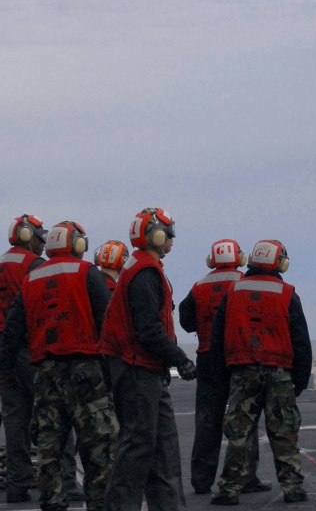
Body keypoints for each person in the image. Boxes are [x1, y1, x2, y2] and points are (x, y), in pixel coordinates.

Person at [0, 221, 117, 511]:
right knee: (98, 440)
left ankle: (51, 499)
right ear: (77, 244)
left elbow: (13, 329)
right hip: (85, 368)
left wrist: (3, 368)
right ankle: (98, 501)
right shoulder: (87, 272)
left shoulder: (32, 277)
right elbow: (108, 320)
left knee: (48, 439)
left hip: (45, 369)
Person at [99, 207, 196, 511]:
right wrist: (180, 358)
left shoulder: (142, 268)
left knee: (164, 448)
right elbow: (148, 330)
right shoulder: (144, 272)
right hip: (137, 367)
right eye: (168, 233)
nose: (172, 239)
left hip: (147, 368)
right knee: (138, 446)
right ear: (154, 235)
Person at [210, 239, 311, 506]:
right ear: (280, 263)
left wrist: (222, 375)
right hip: (279, 373)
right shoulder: (287, 293)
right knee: (284, 432)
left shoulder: (233, 291)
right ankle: (292, 487)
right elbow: (300, 340)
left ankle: (230, 488)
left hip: (242, 371)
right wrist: (299, 380)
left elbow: (218, 338)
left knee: (239, 434)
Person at [178, 240, 269, 496]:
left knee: (206, 421)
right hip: (238, 357)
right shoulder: (244, 282)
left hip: (208, 358)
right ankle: (246, 476)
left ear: (212, 259)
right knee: (244, 419)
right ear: (239, 258)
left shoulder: (199, 286)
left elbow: (186, 321)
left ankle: (201, 480)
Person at [0, 214, 48, 503]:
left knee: (15, 418)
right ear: (29, 236)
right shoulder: (34, 266)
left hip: (3, 352)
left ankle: (18, 485)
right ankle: (61, 481)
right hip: (28, 349)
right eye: (40, 236)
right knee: (52, 414)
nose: (43, 242)